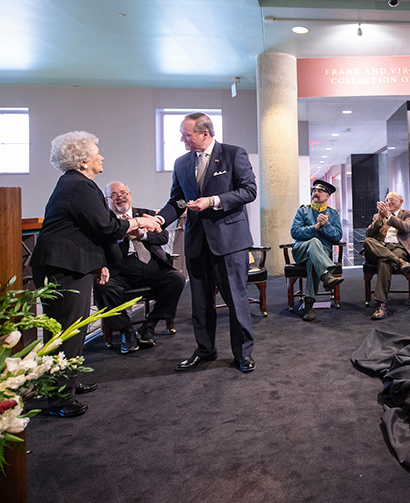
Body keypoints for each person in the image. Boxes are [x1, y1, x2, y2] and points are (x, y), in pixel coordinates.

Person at [31, 131, 162, 417]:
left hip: (68, 264)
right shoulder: (80, 185)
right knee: (66, 332)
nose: (101, 157)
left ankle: (67, 384)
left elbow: (89, 230)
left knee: (70, 329)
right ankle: (59, 399)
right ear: (82, 160)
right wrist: (140, 220)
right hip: (63, 266)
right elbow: (106, 227)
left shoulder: (74, 184)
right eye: (96, 152)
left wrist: (99, 262)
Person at [155, 112, 258, 373]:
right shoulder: (181, 164)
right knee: (200, 303)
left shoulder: (234, 154)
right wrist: (158, 220)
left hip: (230, 241)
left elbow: (249, 191)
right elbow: (177, 201)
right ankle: (205, 350)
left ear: (205, 133)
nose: (182, 139)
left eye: (186, 134)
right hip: (197, 243)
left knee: (236, 300)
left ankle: (242, 354)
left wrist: (212, 201)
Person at [95, 181, 185, 355]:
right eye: (114, 195)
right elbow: (100, 245)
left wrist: (142, 233)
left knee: (177, 279)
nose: (120, 197)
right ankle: (126, 332)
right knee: (104, 287)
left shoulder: (147, 215)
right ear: (107, 201)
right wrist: (122, 234)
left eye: (123, 193)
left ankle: (149, 325)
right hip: (121, 269)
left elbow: (163, 237)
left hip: (152, 266)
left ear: (130, 195)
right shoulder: (105, 221)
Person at [290, 179, 344, 322]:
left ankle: (309, 305)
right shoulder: (302, 211)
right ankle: (326, 275)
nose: (316, 193)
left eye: (320, 191)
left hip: (322, 253)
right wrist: (316, 227)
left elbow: (338, 236)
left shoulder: (332, 214)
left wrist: (326, 226)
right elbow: (295, 233)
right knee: (314, 241)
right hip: (301, 250)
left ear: (327, 196)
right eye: (314, 190)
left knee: (313, 263)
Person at [362, 192, 410, 320]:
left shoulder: (408, 214)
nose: (389, 202)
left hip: (397, 248)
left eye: (392, 200)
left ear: (401, 202)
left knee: (384, 261)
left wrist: (389, 216)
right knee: (367, 241)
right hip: (379, 247)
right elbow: (369, 233)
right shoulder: (377, 215)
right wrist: (380, 219)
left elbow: (407, 228)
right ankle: (399, 262)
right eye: (387, 200)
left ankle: (381, 305)